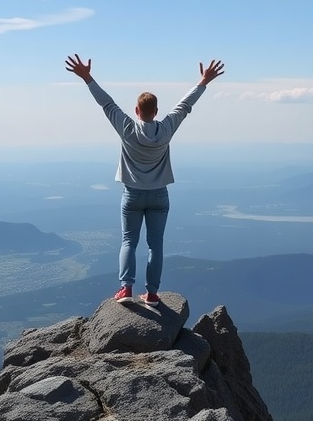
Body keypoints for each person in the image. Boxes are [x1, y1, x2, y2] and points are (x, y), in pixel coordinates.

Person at [65, 54, 224, 306]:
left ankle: (126, 289)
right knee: (155, 245)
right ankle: (151, 294)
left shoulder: (127, 128)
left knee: (129, 240)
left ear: (136, 110)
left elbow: (106, 103)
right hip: (160, 195)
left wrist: (87, 78)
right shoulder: (166, 128)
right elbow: (185, 105)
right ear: (157, 111)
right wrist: (203, 81)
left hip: (132, 195)